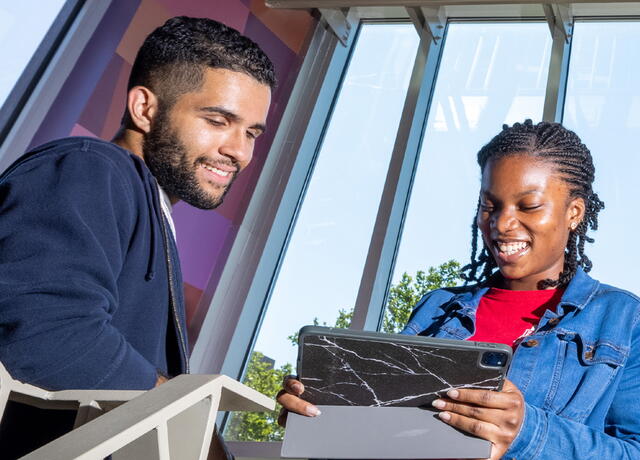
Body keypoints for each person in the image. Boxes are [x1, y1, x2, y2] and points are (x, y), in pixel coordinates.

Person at [278, 120, 640, 459]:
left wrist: (528, 432)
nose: (502, 223)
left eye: (528, 205)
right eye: (489, 205)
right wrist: (318, 415)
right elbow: (384, 437)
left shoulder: (623, 320)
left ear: (574, 212)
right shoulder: (438, 308)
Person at [0, 16, 273, 457]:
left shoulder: (147, 207)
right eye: (218, 120)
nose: (238, 152)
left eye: (251, 133)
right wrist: (183, 416)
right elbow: (44, 330)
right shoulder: (91, 169)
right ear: (145, 108)